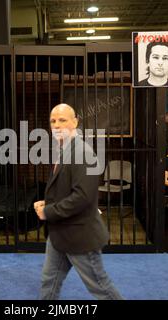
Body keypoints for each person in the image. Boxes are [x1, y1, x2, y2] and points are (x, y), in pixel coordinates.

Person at [34, 103, 124, 300]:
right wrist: (46, 203)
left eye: (62, 120)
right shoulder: (66, 149)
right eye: (53, 121)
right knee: (49, 281)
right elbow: (68, 189)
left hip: (80, 236)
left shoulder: (82, 152)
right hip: (60, 234)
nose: (56, 125)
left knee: (101, 288)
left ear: (75, 122)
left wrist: (48, 211)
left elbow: (82, 197)